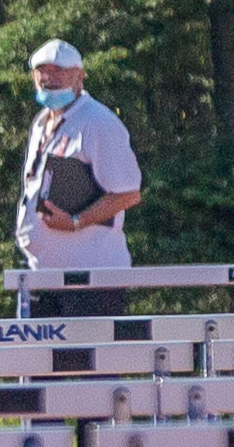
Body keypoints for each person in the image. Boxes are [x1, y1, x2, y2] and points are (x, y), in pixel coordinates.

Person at [11, 38, 141, 313]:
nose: (49, 78)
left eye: (59, 71)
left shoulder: (99, 122)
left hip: (91, 282)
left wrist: (75, 221)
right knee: (43, 358)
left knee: (85, 358)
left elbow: (128, 193)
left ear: (79, 77)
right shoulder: (41, 121)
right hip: (43, 279)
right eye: (42, 71)